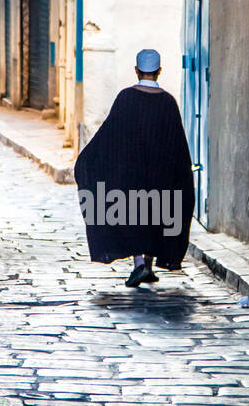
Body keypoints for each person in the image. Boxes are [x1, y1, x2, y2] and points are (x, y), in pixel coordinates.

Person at [74, 48, 195, 287]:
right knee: (156, 217)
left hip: (131, 177)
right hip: (160, 178)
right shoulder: (168, 102)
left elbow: (109, 136)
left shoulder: (126, 98)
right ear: (159, 71)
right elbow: (177, 144)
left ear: (137, 70)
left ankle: (140, 265)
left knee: (135, 217)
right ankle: (146, 266)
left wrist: (88, 161)